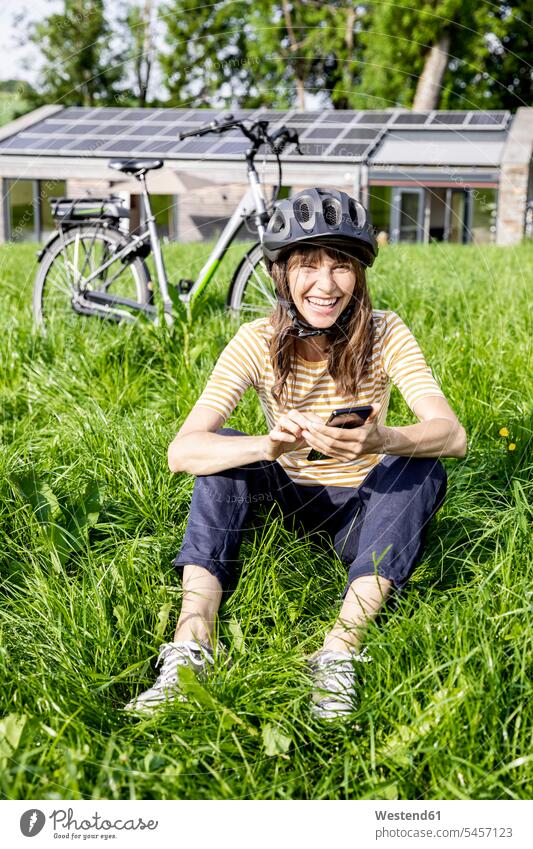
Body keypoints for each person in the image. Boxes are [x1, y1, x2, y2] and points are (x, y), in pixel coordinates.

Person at [124, 187, 467, 721]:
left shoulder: (386, 331)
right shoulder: (254, 341)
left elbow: (452, 433)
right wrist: (268, 445)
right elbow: (181, 451)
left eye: (341, 266)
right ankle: (192, 644)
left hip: (363, 507)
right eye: (307, 266)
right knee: (228, 450)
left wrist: (384, 440)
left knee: (421, 463)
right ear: (282, 275)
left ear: (359, 274)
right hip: (283, 500)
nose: (325, 285)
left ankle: (339, 650)